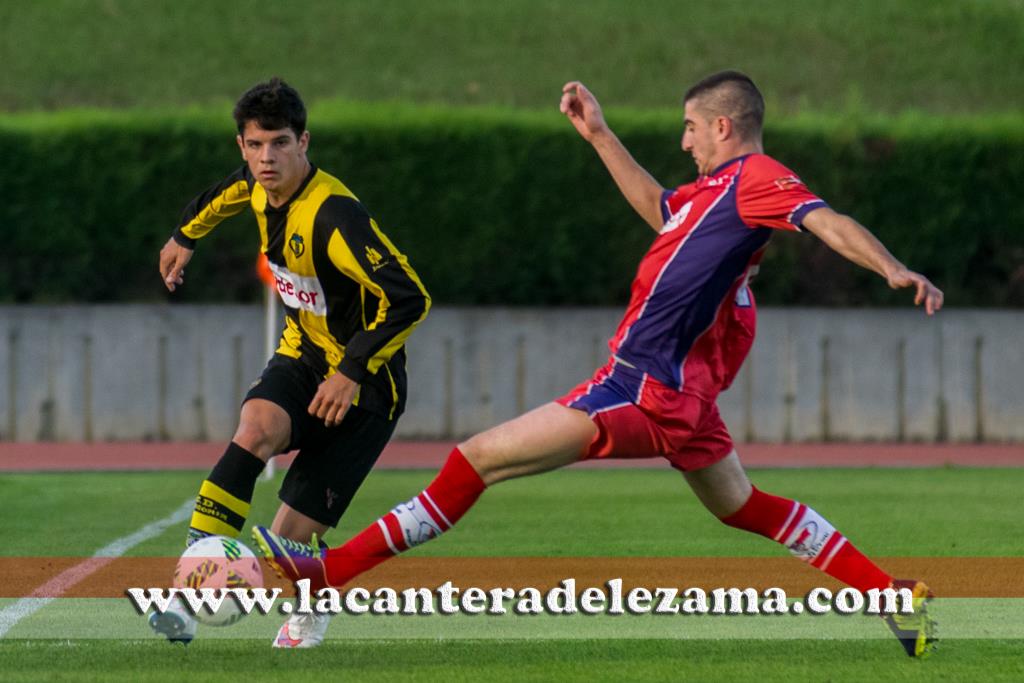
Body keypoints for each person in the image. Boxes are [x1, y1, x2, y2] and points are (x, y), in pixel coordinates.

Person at [253, 71, 942, 657]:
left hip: (645, 388)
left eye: (691, 128)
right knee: (746, 507)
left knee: (476, 459)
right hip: (680, 397)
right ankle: (893, 595)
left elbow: (825, 218)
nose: (683, 140)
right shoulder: (709, 195)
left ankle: (328, 574)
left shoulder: (757, 179)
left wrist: (892, 266)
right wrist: (600, 135)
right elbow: (657, 208)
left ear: (725, 127)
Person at [151, 78, 431, 647]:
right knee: (254, 429)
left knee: (288, 540)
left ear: (305, 142)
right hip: (303, 355)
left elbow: (410, 298)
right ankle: (189, 591)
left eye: (279, 143)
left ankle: (312, 602)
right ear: (242, 146)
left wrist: (351, 370)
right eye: (255, 146)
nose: (266, 158)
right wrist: (185, 235)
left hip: (368, 387)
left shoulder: (334, 217)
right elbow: (219, 196)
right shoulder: (257, 186)